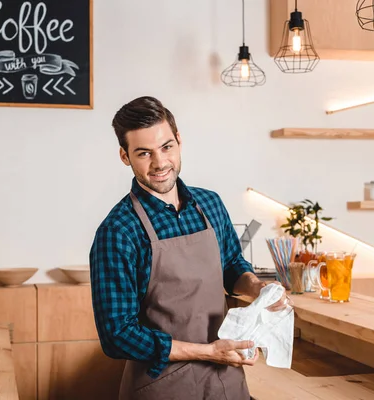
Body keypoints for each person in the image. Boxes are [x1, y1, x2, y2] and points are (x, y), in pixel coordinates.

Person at [89, 96, 288, 400]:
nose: (159, 163)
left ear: (179, 140)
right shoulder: (118, 231)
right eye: (144, 153)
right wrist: (207, 352)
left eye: (166, 147)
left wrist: (259, 289)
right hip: (163, 387)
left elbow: (231, 265)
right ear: (124, 156)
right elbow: (117, 335)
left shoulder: (209, 203)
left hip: (227, 382)